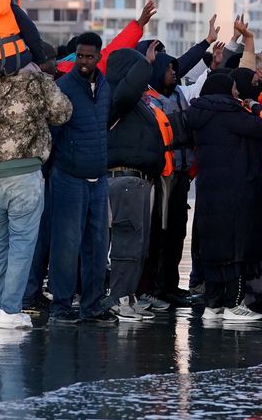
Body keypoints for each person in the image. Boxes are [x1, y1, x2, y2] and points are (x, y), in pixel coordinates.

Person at [0, 60, 72, 328]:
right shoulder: (35, 84)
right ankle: (11, 311)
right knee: (22, 244)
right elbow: (63, 112)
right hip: (24, 173)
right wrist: (44, 79)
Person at [186, 72, 262, 321]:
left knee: (212, 247)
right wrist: (252, 106)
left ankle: (212, 306)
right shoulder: (231, 114)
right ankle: (234, 304)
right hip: (236, 190)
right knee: (236, 246)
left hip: (207, 190)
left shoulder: (197, 115)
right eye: (235, 88)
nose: (237, 93)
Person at [48, 32, 118, 325]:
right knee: (66, 245)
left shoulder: (104, 87)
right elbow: (53, 133)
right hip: (69, 178)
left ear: (99, 57)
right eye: (80, 56)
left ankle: (91, 305)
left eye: (90, 56)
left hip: (98, 179)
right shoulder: (63, 88)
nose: (84, 61)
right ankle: (61, 307)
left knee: (97, 245)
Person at [104, 45, 164, 321]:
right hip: (124, 179)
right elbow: (135, 81)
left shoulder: (134, 102)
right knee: (127, 241)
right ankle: (118, 298)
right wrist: (147, 62)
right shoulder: (117, 96)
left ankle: (127, 295)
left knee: (138, 243)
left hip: (139, 180)